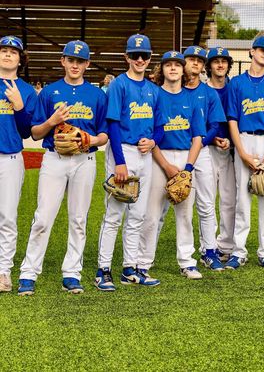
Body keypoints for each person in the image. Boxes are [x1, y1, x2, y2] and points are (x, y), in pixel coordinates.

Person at [18, 40, 108, 296]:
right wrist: (52, 121)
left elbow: (104, 135)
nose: (75, 64)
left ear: (87, 64)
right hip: (54, 158)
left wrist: (91, 140)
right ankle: (28, 272)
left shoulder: (96, 95)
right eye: (71, 60)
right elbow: (35, 133)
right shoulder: (49, 93)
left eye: (80, 61)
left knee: (78, 219)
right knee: (43, 217)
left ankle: (72, 272)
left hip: (85, 160)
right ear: (63, 61)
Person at [95, 34, 161, 291]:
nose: (140, 59)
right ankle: (103, 269)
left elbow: (160, 127)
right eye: (135, 55)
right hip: (122, 151)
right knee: (114, 214)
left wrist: (154, 142)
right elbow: (112, 124)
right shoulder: (119, 85)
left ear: (149, 58)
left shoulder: (154, 90)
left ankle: (129, 268)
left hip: (145, 155)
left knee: (138, 215)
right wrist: (119, 163)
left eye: (144, 55)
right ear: (127, 57)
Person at [137, 51, 206, 280]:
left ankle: (187, 262)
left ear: (183, 70)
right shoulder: (154, 95)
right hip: (159, 157)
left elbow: (197, 137)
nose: (173, 68)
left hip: (185, 157)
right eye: (169, 65)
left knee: (185, 215)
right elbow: (150, 134)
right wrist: (165, 165)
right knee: (151, 213)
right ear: (162, 70)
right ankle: (143, 261)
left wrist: (187, 169)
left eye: (178, 65)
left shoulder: (192, 98)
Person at [225, 35, 264, 270]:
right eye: (263, 50)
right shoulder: (236, 83)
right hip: (244, 139)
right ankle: (239, 251)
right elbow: (232, 120)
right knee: (242, 200)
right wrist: (241, 152)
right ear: (252, 51)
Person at [183, 45, 227, 271]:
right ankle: (183, 253)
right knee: (179, 203)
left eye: (199, 61)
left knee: (207, 203)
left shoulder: (208, 92)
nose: (195, 64)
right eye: (191, 59)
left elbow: (215, 125)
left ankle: (209, 250)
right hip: (178, 150)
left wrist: (201, 141)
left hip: (202, 153)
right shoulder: (172, 89)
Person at [0, 36, 37, 293]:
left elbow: (28, 132)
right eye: (3, 50)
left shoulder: (25, 89)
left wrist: (20, 107)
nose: (7, 55)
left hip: (11, 157)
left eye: (13, 52)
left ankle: (3, 271)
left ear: (20, 59)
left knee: (7, 217)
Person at [205, 46, 236, 262]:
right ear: (209, 66)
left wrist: (232, 142)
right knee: (206, 201)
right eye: (216, 61)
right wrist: (213, 138)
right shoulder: (202, 90)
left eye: (224, 61)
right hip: (207, 149)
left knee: (229, 199)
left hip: (230, 150)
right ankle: (207, 245)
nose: (220, 64)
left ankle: (225, 245)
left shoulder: (233, 88)